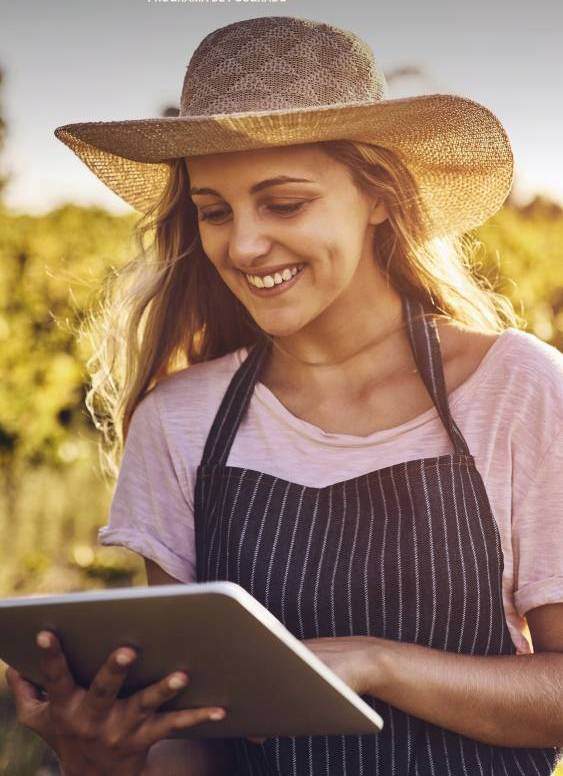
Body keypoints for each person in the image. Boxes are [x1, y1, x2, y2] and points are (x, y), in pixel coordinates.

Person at [6, 14, 563, 776]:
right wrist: (101, 759)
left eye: (284, 202)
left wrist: (374, 664)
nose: (241, 245)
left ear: (379, 197)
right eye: (215, 211)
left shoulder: (515, 390)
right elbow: (188, 736)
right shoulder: (181, 422)